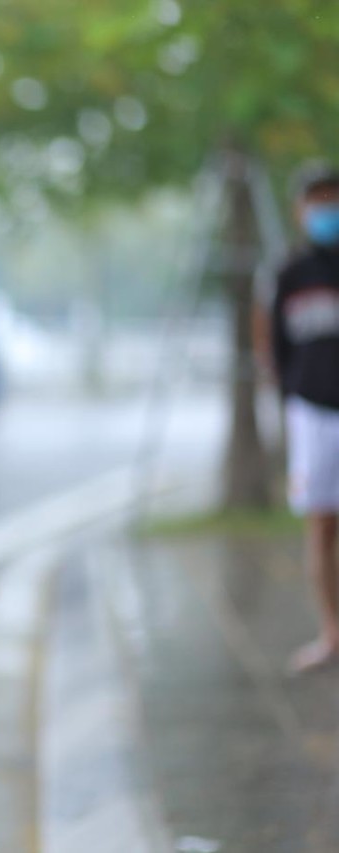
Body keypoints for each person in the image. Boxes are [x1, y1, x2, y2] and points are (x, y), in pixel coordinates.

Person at [265, 162, 339, 674]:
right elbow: (274, 346)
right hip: (312, 412)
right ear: (300, 210)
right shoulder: (288, 274)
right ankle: (332, 633)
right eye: (317, 202)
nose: (326, 210)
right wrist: (288, 396)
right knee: (321, 526)